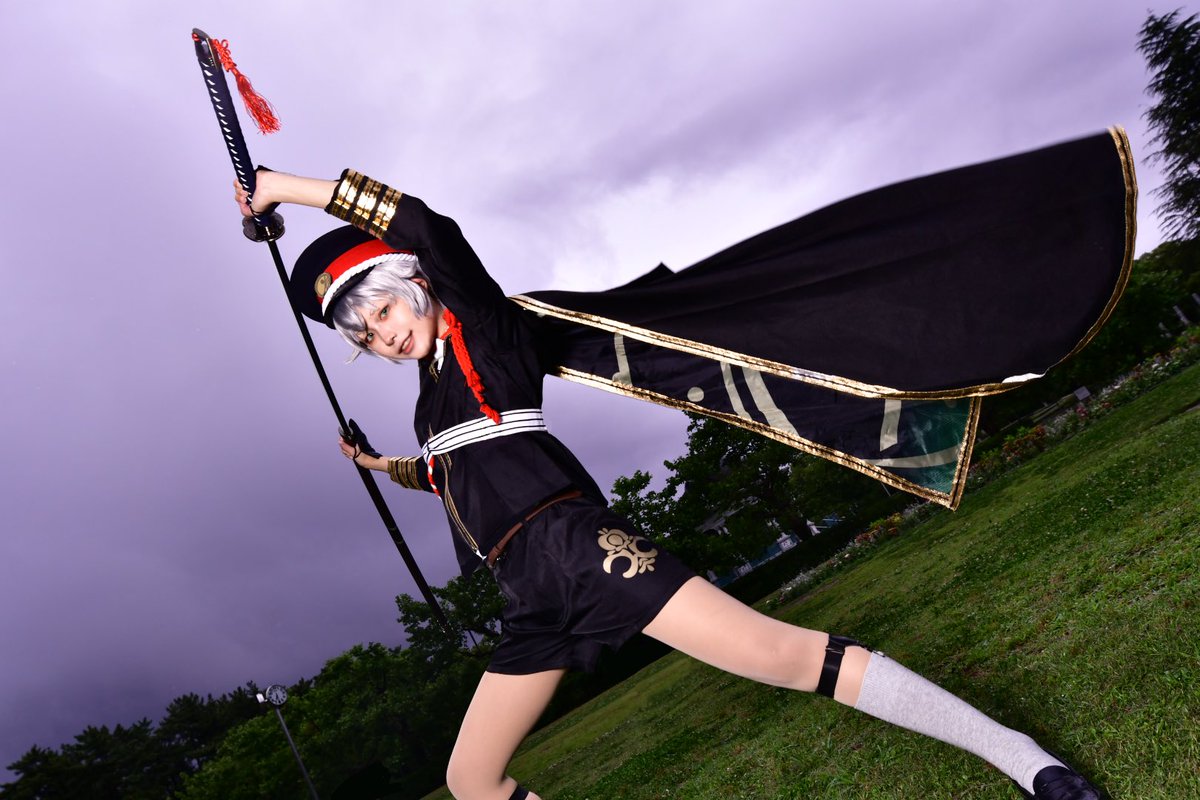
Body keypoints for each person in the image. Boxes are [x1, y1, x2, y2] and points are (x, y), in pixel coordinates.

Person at [235, 168, 1105, 800]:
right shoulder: (433, 403)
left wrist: (283, 188)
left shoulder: (487, 333)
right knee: (471, 780)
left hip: (581, 550)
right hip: (527, 595)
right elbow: (445, 472)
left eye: (383, 309)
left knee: (782, 657)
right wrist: (375, 466)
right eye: (363, 333)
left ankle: (1023, 759)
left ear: (412, 283)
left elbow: (422, 220)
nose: (382, 334)